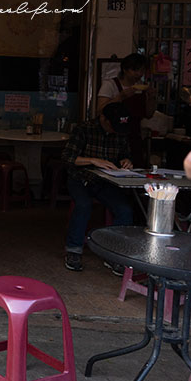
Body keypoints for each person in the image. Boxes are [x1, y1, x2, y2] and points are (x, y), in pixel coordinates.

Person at [61, 102, 135, 273]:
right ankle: (73, 251)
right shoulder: (84, 129)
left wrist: (126, 161)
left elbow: (125, 155)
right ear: (103, 118)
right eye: (112, 125)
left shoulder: (120, 133)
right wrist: (92, 160)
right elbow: (67, 157)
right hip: (80, 179)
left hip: (107, 182)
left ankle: (114, 254)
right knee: (83, 205)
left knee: (125, 210)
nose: (115, 131)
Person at [96, 53, 157, 168]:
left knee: (136, 168)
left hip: (134, 135)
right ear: (124, 69)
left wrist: (152, 98)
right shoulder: (110, 85)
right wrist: (121, 97)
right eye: (135, 70)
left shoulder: (141, 87)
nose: (139, 74)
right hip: (114, 136)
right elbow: (100, 111)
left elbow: (149, 114)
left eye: (142, 70)